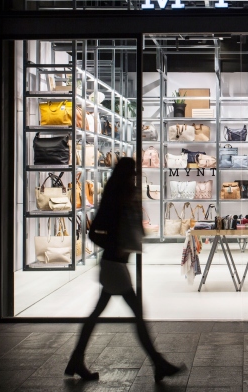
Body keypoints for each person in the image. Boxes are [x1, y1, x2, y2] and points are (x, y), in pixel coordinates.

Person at [65, 157, 186, 382]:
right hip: (113, 266)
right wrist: (115, 246)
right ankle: (158, 363)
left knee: (98, 313)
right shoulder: (113, 199)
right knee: (136, 314)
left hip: (116, 266)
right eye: (132, 173)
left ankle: (77, 358)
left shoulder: (124, 196)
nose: (135, 176)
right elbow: (93, 233)